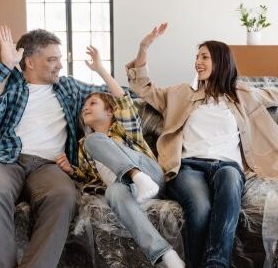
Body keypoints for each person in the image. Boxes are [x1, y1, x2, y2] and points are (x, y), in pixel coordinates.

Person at [125, 23, 278, 268]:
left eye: (204, 57)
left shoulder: (242, 95)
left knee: (231, 181)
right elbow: (141, 86)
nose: (198, 62)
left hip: (227, 166)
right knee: (200, 208)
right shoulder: (180, 93)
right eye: (196, 57)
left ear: (221, 61)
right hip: (189, 167)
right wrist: (144, 46)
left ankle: (216, 264)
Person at [0, 26, 110, 268]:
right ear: (30, 62)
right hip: (3, 159)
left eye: (59, 58)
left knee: (64, 196)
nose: (60, 65)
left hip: (50, 164)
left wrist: (103, 70)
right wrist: (5, 67)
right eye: (52, 59)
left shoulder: (69, 88)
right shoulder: (10, 84)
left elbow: (119, 96)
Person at [57, 46, 185, 268]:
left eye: (93, 104)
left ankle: (138, 177)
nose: (86, 108)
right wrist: (70, 170)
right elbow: (89, 178)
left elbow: (123, 99)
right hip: (128, 188)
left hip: (150, 175)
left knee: (95, 140)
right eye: (84, 106)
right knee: (113, 190)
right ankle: (165, 255)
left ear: (109, 111)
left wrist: (100, 70)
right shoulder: (84, 147)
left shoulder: (125, 129)